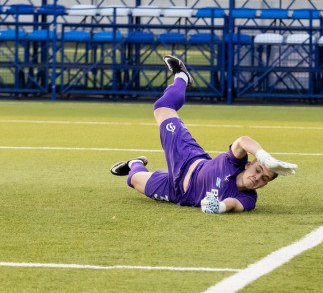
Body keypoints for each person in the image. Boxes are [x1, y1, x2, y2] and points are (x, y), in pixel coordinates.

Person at [110, 55, 297, 214]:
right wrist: (264, 157)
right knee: (162, 107)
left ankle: (135, 163)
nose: (258, 178)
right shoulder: (235, 163)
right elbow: (243, 141)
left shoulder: (248, 198)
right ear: (248, 165)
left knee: (134, 180)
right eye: (258, 171)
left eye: (264, 179)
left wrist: (220, 206)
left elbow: (234, 205)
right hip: (187, 158)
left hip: (177, 192)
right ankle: (182, 77)